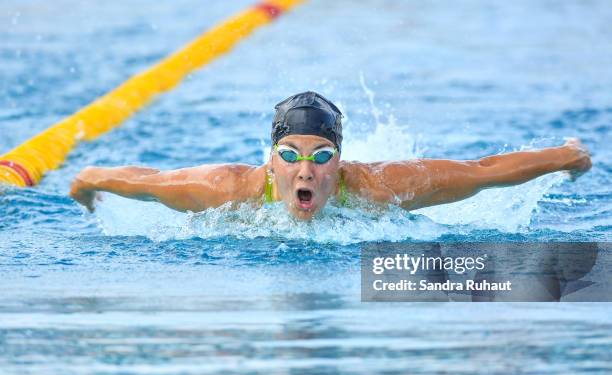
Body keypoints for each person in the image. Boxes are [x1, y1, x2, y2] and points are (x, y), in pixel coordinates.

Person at [70, 91, 592, 220]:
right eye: (290, 155)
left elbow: (481, 172)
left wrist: (565, 156)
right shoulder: (226, 191)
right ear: (269, 160)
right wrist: (90, 179)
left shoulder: (377, 188)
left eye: (321, 156)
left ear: (339, 162)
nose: (305, 169)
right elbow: (147, 180)